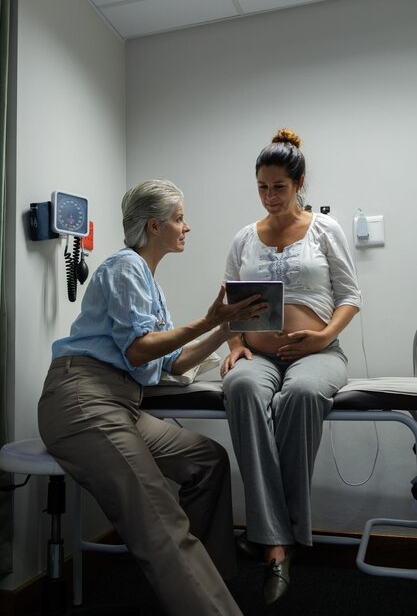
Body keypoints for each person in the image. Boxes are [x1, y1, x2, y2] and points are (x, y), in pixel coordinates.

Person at [38, 179, 267, 616]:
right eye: (180, 218)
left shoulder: (150, 284)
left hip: (120, 404)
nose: (187, 227)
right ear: (154, 225)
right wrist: (206, 320)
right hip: (81, 400)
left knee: (207, 460)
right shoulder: (124, 266)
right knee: (160, 517)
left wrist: (226, 325)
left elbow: (172, 363)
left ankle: (202, 586)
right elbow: (139, 349)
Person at [221, 128, 362, 607]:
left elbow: (350, 297)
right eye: (261, 187)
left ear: (299, 183)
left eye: (278, 187)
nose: (269, 196)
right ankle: (279, 544)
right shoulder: (245, 238)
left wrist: (323, 337)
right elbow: (231, 304)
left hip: (318, 354)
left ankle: (274, 538)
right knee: (240, 387)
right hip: (258, 355)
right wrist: (237, 342)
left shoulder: (326, 230)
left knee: (300, 395)